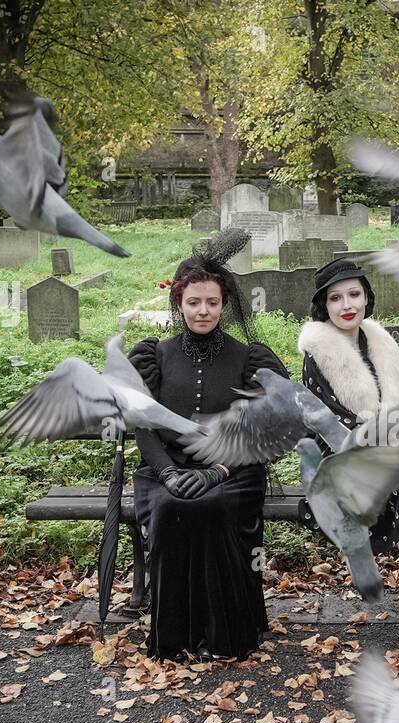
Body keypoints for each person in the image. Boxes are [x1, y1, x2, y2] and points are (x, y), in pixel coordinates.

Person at [126, 230, 289, 661]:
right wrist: (168, 473)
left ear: (225, 304)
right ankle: (175, 636)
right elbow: (144, 426)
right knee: (169, 507)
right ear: (179, 304)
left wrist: (219, 471)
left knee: (212, 506)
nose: (203, 311)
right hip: (167, 467)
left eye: (212, 302)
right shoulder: (155, 355)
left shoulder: (247, 357)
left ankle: (224, 635)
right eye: (194, 302)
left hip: (235, 469)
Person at [297, 259, 399, 639]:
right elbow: (333, 425)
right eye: (335, 298)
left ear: (366, 298)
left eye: (354, 294)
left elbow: (393, 416)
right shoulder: (318, 352)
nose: (346, 304)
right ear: (324, 306)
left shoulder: (381, 344)